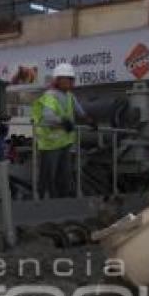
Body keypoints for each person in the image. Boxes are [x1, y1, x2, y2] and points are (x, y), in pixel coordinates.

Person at [32, 63, 92, 199]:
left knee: (64, 175)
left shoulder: (70, 96)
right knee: (49, 176)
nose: (72, 82)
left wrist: (90, 121)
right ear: (57, 80)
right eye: (68, 79)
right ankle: (45, 202)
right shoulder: (49, 96)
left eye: (72, 79)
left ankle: (62, 200)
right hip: (50, 145)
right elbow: (48, 117)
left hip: (65, 143)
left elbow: (80, 112)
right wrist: (64, 121)